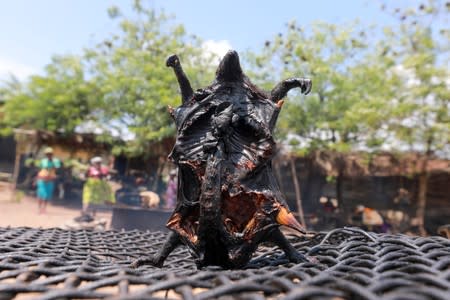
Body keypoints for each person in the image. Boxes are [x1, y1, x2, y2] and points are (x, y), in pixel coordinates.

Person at [36, 147, 61, 214]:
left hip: (50, 180)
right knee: (40, 194)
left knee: (46, 195)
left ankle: (44, 209)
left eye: (50, 154)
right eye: (47, 154)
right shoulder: (43, 161)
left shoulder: (56, 161)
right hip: (42, 179)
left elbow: (57, 169)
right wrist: (37, 178)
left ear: (52, 154)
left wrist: (52, 162)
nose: (48, 155)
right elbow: (40, 169)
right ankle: (39, 208)